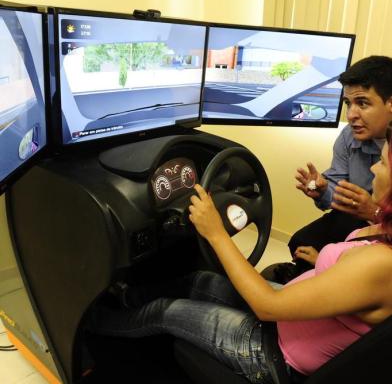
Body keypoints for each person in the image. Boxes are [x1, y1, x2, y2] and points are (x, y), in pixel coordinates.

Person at [88, 126, 392, 383]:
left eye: (383, 163)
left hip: (273, 351)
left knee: (165, 311)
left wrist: (215, 232)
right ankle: (128, 299)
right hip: (295, 316)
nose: (374, 169)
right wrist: (325, 261)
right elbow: (356, 274)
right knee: (200, 281)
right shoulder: (382, 229)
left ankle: (96, 326)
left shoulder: (380, 264)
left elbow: (267, 307)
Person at [263, 55, 392, 284]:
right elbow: (339, 190)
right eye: (348, 104)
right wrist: (323, 191)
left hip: (382, 227)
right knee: (300, 242)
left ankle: (324, 281)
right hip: (357, 218)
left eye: (362, 103)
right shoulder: (348, 136)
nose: (351, 115)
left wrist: (374, 212)